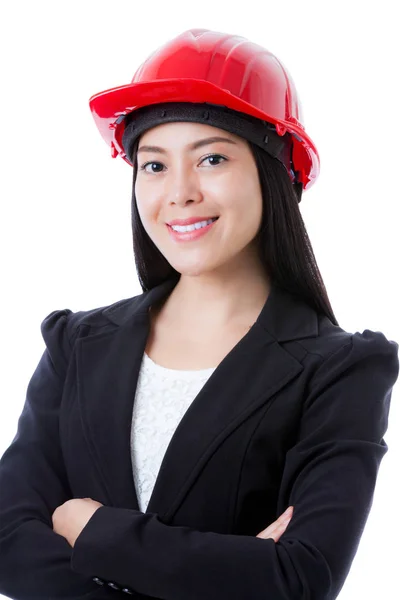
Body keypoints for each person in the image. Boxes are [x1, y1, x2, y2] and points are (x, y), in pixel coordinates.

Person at [0, 27, 398, 600]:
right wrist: (229, 573)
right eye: (154, 165)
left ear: (276, 172)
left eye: (211, 158)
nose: (179, 192)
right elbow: (11, 544)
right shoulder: (77, 345)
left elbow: (301, 579)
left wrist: (94, 532)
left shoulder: (341, 370)